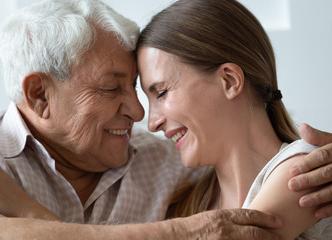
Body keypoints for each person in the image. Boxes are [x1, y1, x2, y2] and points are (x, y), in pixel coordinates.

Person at [0, 0, 332, 240]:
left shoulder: (301, 173)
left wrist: (22, 209)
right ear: (40, 95)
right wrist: (186, 231)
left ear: (229, 81)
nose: (145, 117)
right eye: (113, 89)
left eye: (157, 92)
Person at [135, 0, 332, 239]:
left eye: (162, 92)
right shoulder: (183, 204)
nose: (152, 122)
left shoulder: (302, 168)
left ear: (230, 81)